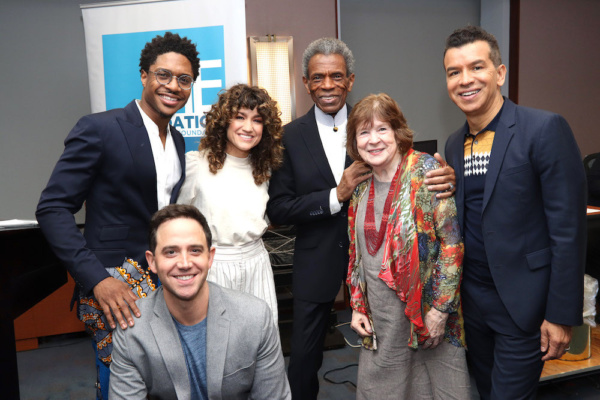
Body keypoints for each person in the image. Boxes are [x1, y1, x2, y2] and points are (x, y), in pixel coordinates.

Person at [267, 37, 456, 399]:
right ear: (305, 82)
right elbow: (279, 208)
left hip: (381, 261)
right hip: (317, 257)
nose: (327, 85)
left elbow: (410, 166)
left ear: (350, 80)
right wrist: (335, 196)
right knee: (304, 356)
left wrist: (443, 175)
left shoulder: (370, 122)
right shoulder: (288, 137)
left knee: (393, 344)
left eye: (336, 76)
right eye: (318, 77)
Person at [35, 32, 199, 399]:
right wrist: (96, 280)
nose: (173, 86)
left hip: (162, 278)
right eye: (163, 75)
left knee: (162, 381)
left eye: (184, 79)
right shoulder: (100, 128)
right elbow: (52, 208)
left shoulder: (177, 140)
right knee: (120, 383)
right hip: (113, 282)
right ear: (144, 76)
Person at [442, 25, 587, 399]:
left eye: (477, 67)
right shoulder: (455, 143)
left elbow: (568, 231)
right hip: (472, 304)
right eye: (454, 72)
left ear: (500, 73)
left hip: (524, 306)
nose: (465, 80)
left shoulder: (544, 129)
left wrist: (561, 314)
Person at [346, 93, 470, 399]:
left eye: (382, 129)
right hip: (383, 322)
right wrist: (357, 305)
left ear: (398, 132)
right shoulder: (359, 185)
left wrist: (440, 310)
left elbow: (451, 245)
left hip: (427, 316)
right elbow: (356, 254)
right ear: (355, 141)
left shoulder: (427, 172)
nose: (373, 140)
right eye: (364, 132)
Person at [109, 204, 291, 399]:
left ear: (210, 257)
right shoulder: (132, 330)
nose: (185, 263)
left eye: (195, 250)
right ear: (152, 261)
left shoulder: (255, 317)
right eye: (171, 252)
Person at [177, 84, 283, 326]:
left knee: (260, 339)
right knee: (216, 344)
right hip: (214, 265)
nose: (248, 127)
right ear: (224, 121)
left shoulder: (265, 169)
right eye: (239, 117)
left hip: (257, 262)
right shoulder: (195, 165)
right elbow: (176, 222)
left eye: (257, 120)